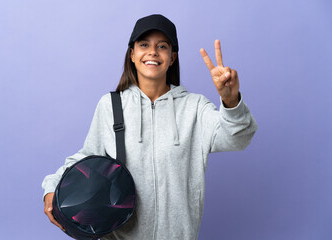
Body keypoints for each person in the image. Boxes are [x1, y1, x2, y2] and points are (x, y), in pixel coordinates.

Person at [42, 14, 258, 240]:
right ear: (132, 54)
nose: (153, 52)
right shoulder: (111, 105)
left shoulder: (195, 107)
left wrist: (231, 101)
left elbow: (238, 138)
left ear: (172, 57)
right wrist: (52, 186)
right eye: (144, 44)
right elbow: (88, 156)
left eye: (162, 46)